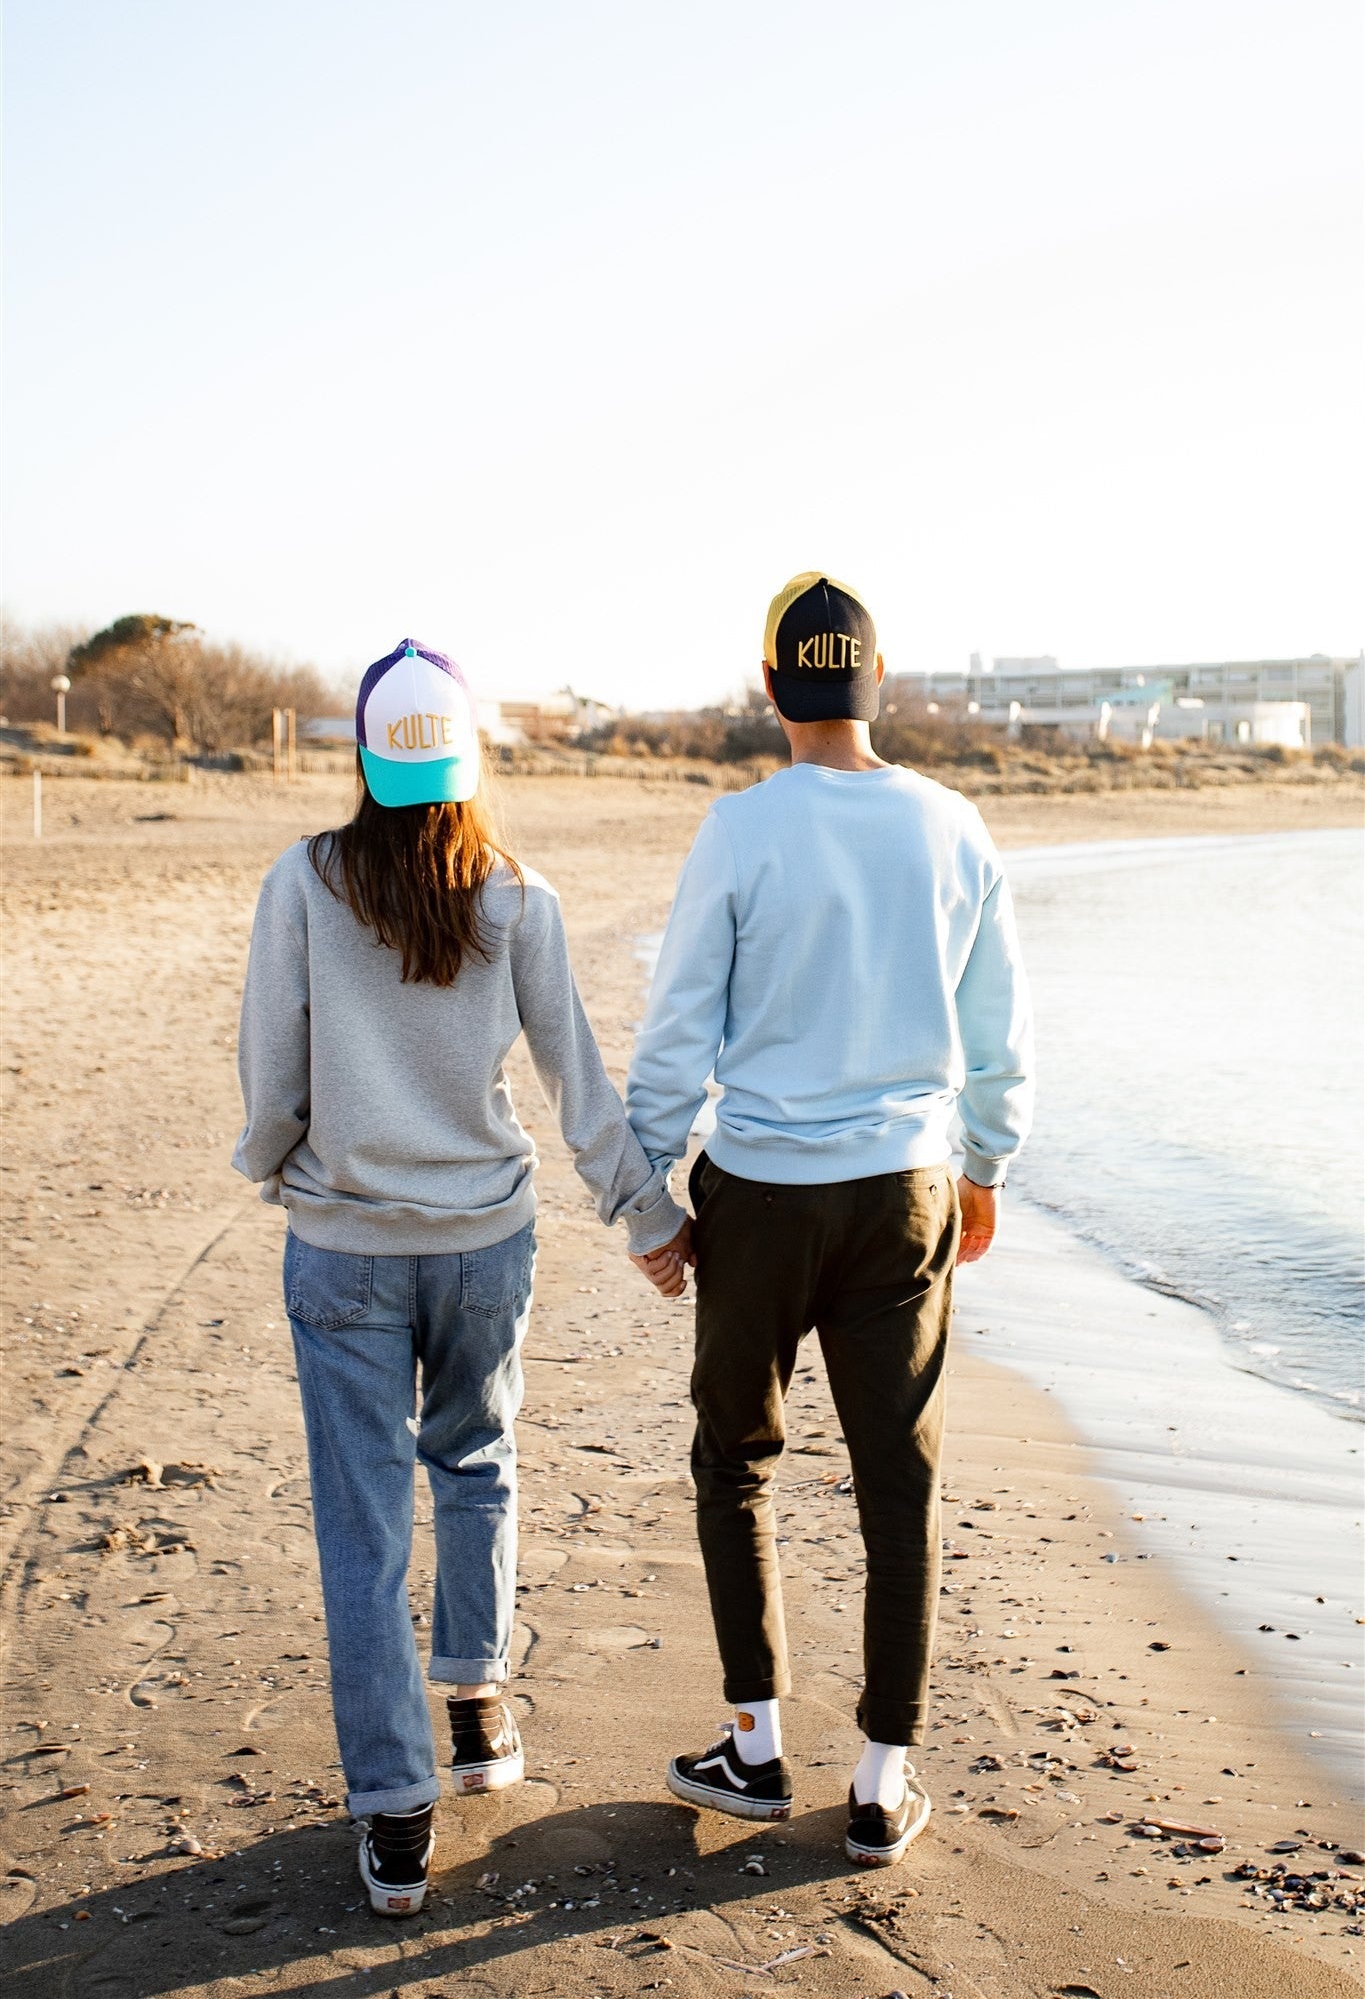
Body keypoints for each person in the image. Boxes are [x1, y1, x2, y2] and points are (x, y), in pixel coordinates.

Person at [232, 639, 686, 1917]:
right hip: (486, 1237)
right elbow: (577, 1079)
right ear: (469, 758)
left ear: (367, 762)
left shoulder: (305, 882)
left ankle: (393, 1813)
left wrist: (276, 1164)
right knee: (477, 1458)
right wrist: (648, 1215)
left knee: (363, 1526)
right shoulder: (515, 893)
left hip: (345, 1247)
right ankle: (479, 1707)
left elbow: (275, 1072)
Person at [626, 574, 1034, 1867]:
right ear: (873, 684)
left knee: (735, 1462)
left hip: (757, 1193)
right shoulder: (952, 823)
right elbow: (998, 1035)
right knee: (894, 1479)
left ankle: (751, 1745)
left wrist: (648, 1202)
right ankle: (879, 1776)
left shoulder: (739, 831)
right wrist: (984, 1168)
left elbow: (677, 1030)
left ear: (769, 690)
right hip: (903, 1190)